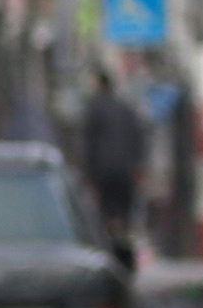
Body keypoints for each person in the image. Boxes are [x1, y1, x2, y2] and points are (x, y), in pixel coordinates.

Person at [66, 71, 153, 261]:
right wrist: (139, 166)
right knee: (124, 216)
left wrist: (87, 174)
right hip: (126, 172)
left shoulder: (94, 109)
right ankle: (125, 256)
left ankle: (110, 255)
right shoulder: (126, 109)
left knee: (105, 216)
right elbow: (139, 138)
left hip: (103, 172)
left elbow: (88, 144)